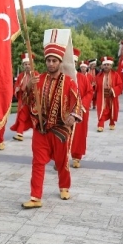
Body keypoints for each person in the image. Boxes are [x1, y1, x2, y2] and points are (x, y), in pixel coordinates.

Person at [21, 29, 82, 209]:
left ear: (59, 62)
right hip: (41, 128)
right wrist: (29, 88)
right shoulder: (37, 79)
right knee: (38, 162)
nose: (51, 63)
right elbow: (27, 101)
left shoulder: (69, 81)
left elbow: (76, 102)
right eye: (48, 60)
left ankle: (64, 186)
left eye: (54, 60)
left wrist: (73, 115)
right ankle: (35, 197)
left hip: (61, 129)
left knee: (62, 161)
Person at [71, 54, 93, 168]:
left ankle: (76, 156)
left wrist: (82, 104)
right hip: (64, 111)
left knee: (79, 134)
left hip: (80, 110)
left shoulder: (82, 78)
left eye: (73, 62)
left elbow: (89, 92)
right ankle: (60, 157)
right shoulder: (61, 76)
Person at [11, 53, 35, 141]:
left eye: (29, 64)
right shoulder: (21, 76)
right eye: (25, 64)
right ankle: (19, 133)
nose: (27, 66)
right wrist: (17, 89)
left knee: (33, 118)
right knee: (22, 117)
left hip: (33, 101)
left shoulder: (36, 74)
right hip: (23, 101)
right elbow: (16, 86)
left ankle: (37, 133)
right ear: (23, 65)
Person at [95, 56, 123, 131]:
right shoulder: (98, 76)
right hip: (102, 96)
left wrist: (113, 90)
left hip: (112, 95)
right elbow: (95, 86)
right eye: (105, 65)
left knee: (112, 109)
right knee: (102, 110)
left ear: (111, 66)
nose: (106, 66)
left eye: (108, 65)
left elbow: (120, 85)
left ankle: (112, 122)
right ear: (102, 66)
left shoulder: (116, 75)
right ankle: (100, 125)